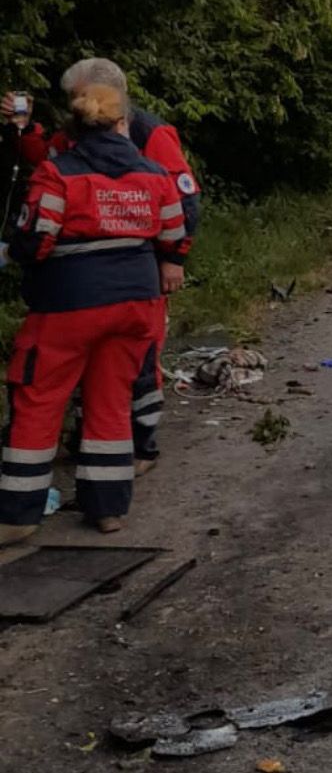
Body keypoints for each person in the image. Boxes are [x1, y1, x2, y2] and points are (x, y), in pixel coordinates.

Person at [0, 84, 188, 546]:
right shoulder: (153, 174)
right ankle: (108, 509)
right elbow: (174, 235)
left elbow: (36, 240)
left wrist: (11, 251)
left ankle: (18, 515)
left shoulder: (58, 172)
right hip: (136, 304)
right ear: (122, 124)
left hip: (69, 305)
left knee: (39, 398)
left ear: (74, 128)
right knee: (111, 400)